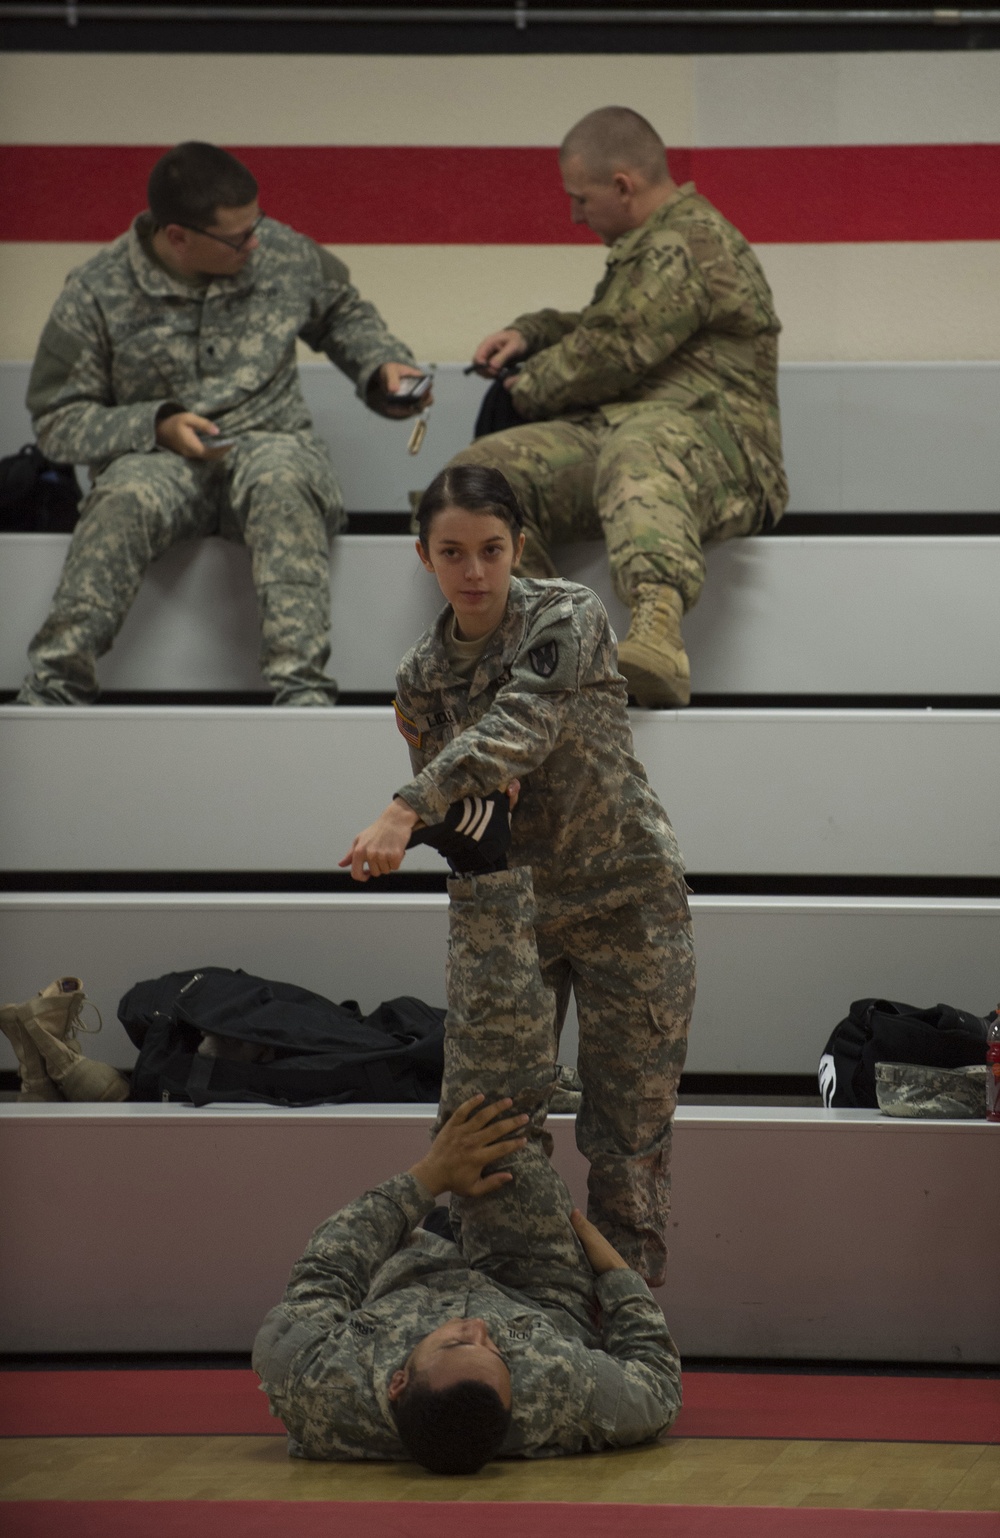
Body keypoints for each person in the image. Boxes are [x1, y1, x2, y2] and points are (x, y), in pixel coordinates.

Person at [340, 463, 696, 1288]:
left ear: (518, 548)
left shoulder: (567, 613)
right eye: (453, 552)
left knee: (627, 1146)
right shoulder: (421, 677)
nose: (474, 572)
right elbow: (466, 811)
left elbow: (520, 724)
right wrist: (440, 812)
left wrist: (404, 809)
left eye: (492, 550)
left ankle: (626, 1339)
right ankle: (509, 1317)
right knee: (490, 1131)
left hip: (626, 905)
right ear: (422, 555)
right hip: (512, 918)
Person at [253, 847, 682, 1471]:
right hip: (532, 1280)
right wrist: (614, 1272)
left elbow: (325, 1271)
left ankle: (488, 868)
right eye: (497, 1351)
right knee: (512, 1124)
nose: (480, 1329)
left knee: (476, 1115)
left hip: (417, 1259)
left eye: (460, 1341)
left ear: (398, 1380)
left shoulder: (318, 1384)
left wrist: (429, 1178)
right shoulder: (548, 1397)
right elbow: (658, 1388)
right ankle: (531, 888)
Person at [17, 140, 426, 707]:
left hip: (270, 440)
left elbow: (343, 315)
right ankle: (53, 690)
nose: (254, 241)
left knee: (283, 478)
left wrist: (383, 366)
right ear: (177, 236)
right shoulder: (95, 290)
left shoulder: (283, 254)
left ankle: (302, 694)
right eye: (237, 238)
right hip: (160, 459)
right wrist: (155, 426)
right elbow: (58, 418)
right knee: (124, 495)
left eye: (255, 224)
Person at [449, 105, 788, 708]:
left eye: (581, 199)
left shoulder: (684, 243)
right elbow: (607, 326)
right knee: (480, 481)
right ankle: (543, 645)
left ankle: (657, 636)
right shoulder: (656, 245)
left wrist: (522, 390)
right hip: (633, 431)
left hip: (723, 451)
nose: (575, 215)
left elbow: (611, 351)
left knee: (641, 445)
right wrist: (533, 332)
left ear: (623, 187)